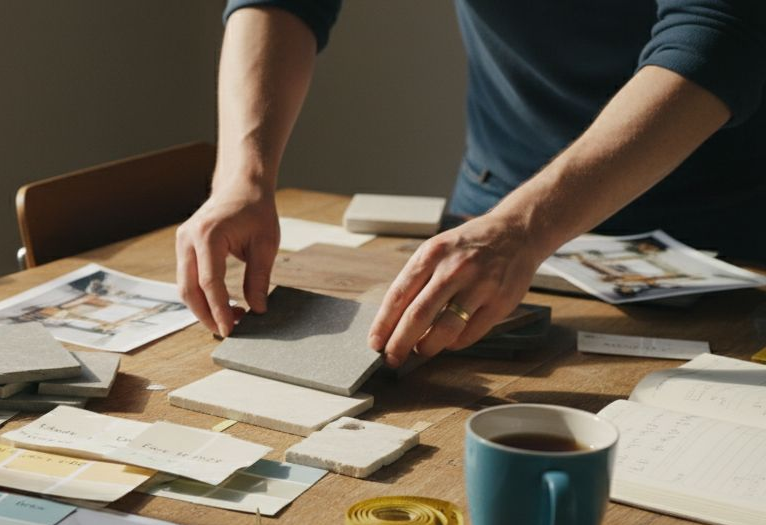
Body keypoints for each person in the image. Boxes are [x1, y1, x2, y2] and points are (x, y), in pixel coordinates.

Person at [175, 1, 766, 367]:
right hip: (493, 229)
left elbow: (718, 34)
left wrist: (523, 227)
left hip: (732, 246)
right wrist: (242, 177)